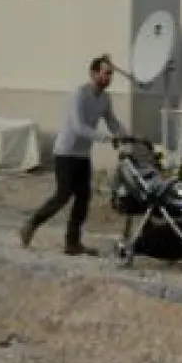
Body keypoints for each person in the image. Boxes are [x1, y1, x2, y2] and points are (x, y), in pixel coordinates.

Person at [21, 56, 128, 256]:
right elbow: (79, 127)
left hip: (82, 155)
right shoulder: (79, 94)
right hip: (66, 153)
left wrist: (126, 136)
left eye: (111, 74)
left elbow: (112, 121)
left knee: (83, 198)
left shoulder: (105, 99)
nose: (108, 78)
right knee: (63, 195)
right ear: (94, 73)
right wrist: (106, 138)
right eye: (105, 73)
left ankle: (72, 243)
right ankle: (32, 223)